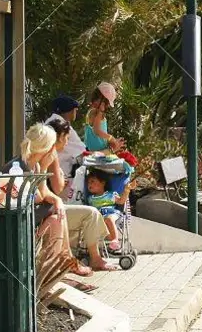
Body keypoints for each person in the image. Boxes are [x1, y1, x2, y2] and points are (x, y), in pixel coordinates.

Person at [10, 123, 116, 274]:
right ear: (47, 147)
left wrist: (57, 200)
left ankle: (76, 261)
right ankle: (64, 264)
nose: (64, 143)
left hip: (39, 216)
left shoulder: (36, 165)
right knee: (58, 217)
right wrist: (48, 171)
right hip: (27, 224)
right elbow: (41, 196)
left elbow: (45, 193)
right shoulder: (21, 167)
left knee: (74, 213)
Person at [47, 95, 87, 199]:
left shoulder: (51, 121)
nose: (66, 142)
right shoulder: (62, 126)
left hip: (56, 176)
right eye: (75, 110)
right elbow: (83, 151)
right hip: (60, 176)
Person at [84, 170, 124, 252]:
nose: (89, 184)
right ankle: (112, 243)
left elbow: (121, 201)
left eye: (92, 181)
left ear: (102, 183)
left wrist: (127, 190)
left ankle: (115, 240)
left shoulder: (110, 195)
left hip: (111, 213)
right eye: (88, 183)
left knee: (108, 219)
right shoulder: (90, 198)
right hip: (99, 216)